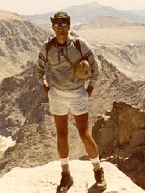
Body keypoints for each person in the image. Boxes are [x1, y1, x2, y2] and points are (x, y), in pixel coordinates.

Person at [36, 11, 106, 192]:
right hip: (57, 95)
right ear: (53, 26)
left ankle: (98, 170)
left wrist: (88, 90)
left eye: (63, 23)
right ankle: (66, 175)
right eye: (57, 23)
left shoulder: (79, 45)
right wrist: (44, 84)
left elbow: (95, 67)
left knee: (84, 134)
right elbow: (39, 69)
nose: (60, 27)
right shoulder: (47, 47)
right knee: (61, 134)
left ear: (68, 25)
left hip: (77, 94)